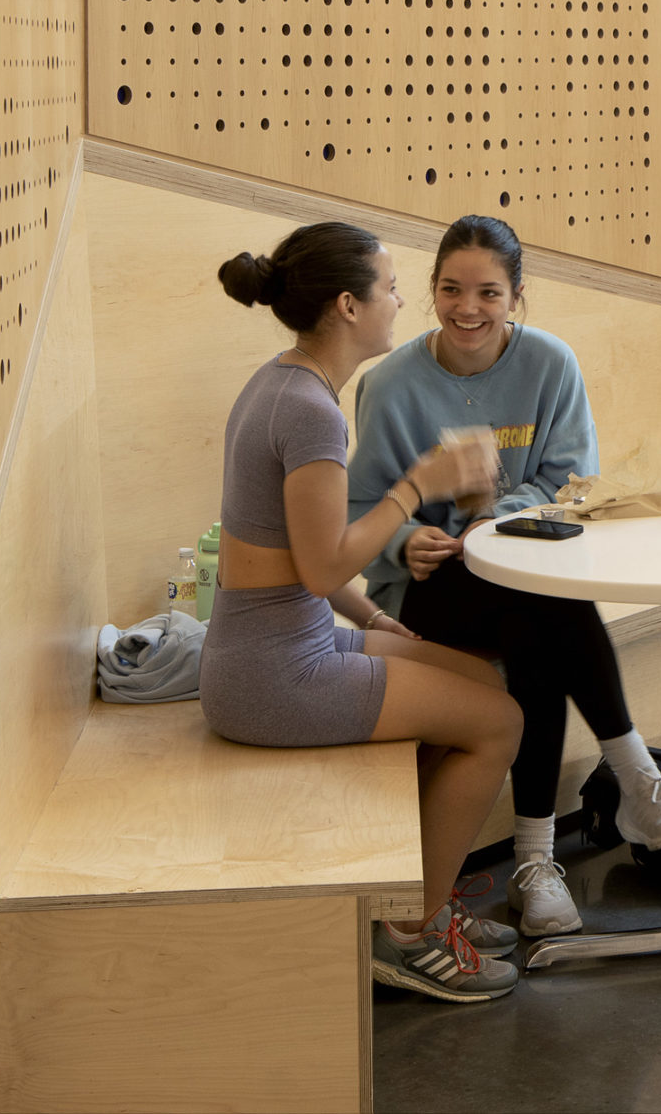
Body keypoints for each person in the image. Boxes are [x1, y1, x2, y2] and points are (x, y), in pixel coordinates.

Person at [349, 214, 661, 939]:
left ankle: (540, 864)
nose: (467, 309)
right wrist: (407, 541)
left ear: (517, 296)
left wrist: (496, 521)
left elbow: (571, 480)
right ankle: (630, 782)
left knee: (532, 614)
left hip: (521, 578)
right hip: (428, 593)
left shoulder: (549, 364)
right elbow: (358, 512)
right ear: (431, 291)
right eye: (450, 290)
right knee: (543, 605)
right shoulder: (389, 385)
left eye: (487, 293)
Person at [206, 222, 524, 1004]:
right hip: (279, 675)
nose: (401, 300)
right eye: (388, 287)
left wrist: (373, 619)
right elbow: (323, 561)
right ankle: (411, 933)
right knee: (501, 725)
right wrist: (420, 484)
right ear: (348, 306)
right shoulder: (311, 412)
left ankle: (406, 896)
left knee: (477, 678)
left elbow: (293, 557)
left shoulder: (282, 383)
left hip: (276, 648)